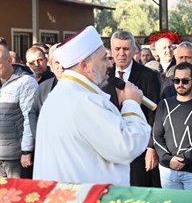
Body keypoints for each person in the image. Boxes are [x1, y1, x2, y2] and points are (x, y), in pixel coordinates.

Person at [33, 26, 151, 186]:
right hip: (84, 202)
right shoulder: (83, 101)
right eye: (104, 59)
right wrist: (131, 104)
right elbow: (127, 146)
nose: (110, 65)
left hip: (66, 197)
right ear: (85, 65)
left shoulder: (62, 93)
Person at [103, 30, 161, 187]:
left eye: (126, 49)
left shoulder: (148, 75)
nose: (121, 53)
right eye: (117, 49)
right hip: (111, 149)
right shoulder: (103, 76)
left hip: (139, 148)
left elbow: (155, 114)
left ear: (135, 50)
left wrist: (151, 147)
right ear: (111, 50)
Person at [153, 62, 192, 191]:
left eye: (185, 81)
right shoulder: (164, 104)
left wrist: (183, 159)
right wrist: (168, 160)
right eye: (176, 80)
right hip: (168, 170)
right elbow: (156, 135)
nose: (180, 84)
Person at [23, 44, 64, 179]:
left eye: (64, 61)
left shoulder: (84, 87)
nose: (61, 66)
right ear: (51, 63)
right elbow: (32, 112)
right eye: (57, 62)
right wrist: (40, 136)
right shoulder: (44, 87)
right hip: (46, 149)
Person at [0, 37, 38, 178]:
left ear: (9, 61)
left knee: (17, 197)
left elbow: (30, 118)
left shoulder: (25, 82)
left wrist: (26, 151)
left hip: (16, 158)